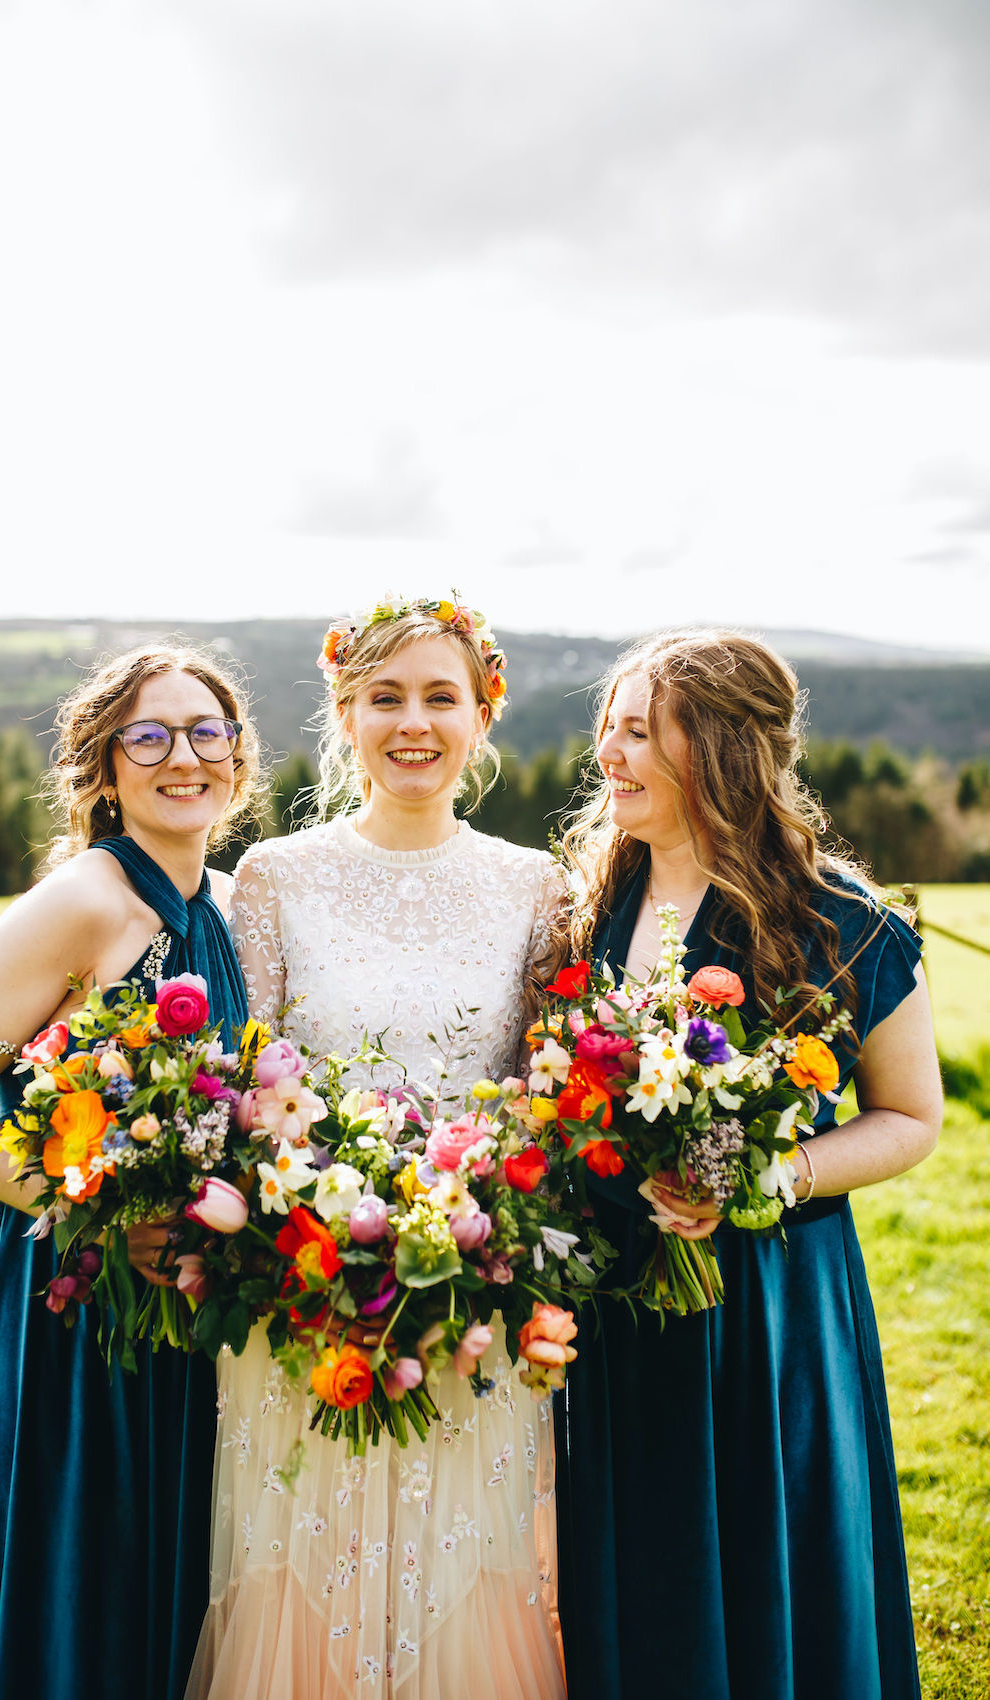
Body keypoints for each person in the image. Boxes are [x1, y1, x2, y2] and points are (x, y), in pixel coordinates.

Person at [186, 596, 568, 1700]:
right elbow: (247, 1088)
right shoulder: (274, 875)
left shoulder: (532, 885)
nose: (413, 721)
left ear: (481, 714)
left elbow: (538, 1096)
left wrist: (472, 1220)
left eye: (440, 696)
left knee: (467, 1554)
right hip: (300, 1290)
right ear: (344, 713)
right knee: (300, 1556)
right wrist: (306, 1228)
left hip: (471, 1288)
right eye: (384, 696)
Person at [552, 629, 942, 1700]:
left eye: (638, 729)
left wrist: (768, 1177)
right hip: (623, 1300)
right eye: (608, 726)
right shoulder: (586, 910)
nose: (607, 752)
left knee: (771, 1559)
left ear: (717, 747)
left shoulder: (841, 924)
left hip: (772, 1310)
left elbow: (909, 1116)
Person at [0, 645, 260, 1700]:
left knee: (177, 1601)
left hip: (192, 1327)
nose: (181, 755)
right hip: (67, 1320)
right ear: (102, 766)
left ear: (237, 755)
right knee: (82, 1606)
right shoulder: (80, 904)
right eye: (147, 735)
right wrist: (92, 1214)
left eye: (206, 731)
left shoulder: (235, 905)